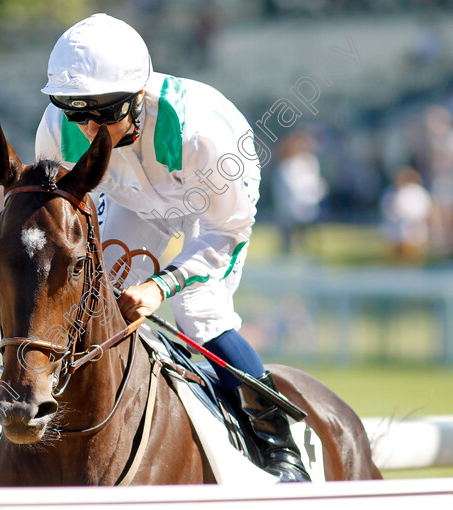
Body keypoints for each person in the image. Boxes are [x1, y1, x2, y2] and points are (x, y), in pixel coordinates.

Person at [35, 13, 309, 482]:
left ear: (139, 96)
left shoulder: (203, 134)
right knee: (103, 300)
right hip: (133, 201)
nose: (88, 130)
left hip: (211, 197)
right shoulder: (56, 131)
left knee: (197, 311)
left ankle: (278, 444)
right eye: (76, 111)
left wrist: (161, 286)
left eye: (105, 113)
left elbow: (223, 233)